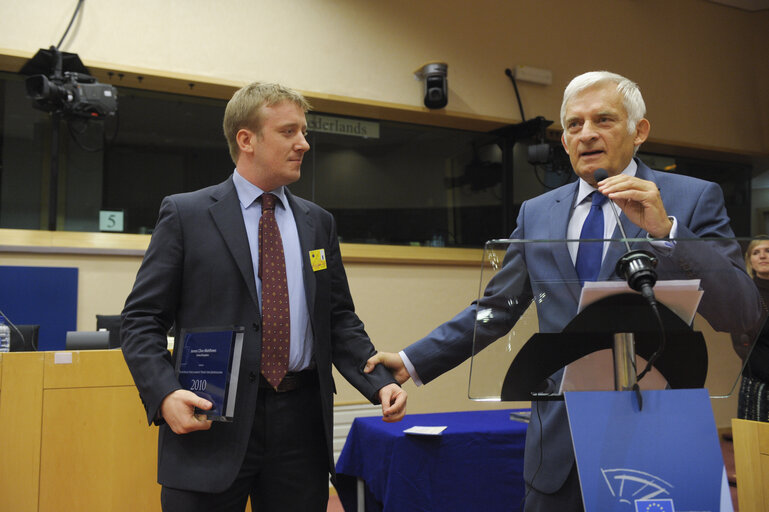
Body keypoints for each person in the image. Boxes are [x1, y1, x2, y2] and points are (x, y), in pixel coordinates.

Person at [365, 71, 761, 510]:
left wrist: (667, 232)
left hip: (656, 430)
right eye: (574, 124)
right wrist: (410, 360)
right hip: (559, 443)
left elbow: (742, 312)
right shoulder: (538, 213)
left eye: (604, 120)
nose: (586, 134)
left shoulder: (689, 199)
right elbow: (499, 306)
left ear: (639, 130)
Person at [121, 82, 407, 512]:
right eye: (289, 132)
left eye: (304, 132)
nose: (304, 144)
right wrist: (164, 394)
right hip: (211, 420)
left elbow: (337, 319)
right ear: (246, 139)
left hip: (300, 426)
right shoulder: (187, 215)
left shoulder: (318, 223)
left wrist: (378, 383)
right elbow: (141, 320)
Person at [733, 237, 769, 421]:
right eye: (756, 252)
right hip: (757, 378)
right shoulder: (745, 292)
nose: (763, 256)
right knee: (757, 445)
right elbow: (740, 342)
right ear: (750, 261)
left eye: (767, 251)